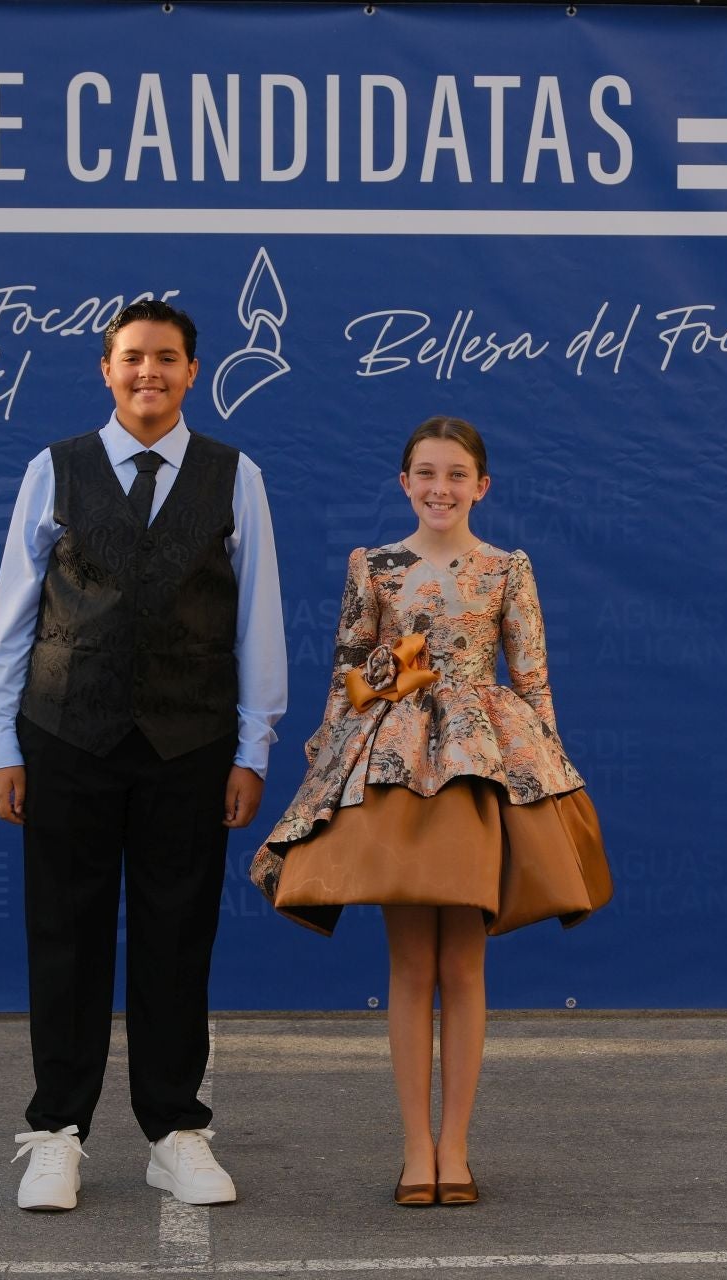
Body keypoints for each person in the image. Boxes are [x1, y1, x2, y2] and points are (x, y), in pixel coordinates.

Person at [248, 416, 610, 1207]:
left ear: (482, 486)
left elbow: (535, 678)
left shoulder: (508, 568)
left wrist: (547, 773)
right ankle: (416, 1149)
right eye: (424, 473)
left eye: (455, 475)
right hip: (394, 772)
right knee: (411, 965)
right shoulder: (372, 567)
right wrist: (328, 766)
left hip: (483, 773)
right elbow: (349, 676)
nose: (439, 488)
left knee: (466, 964)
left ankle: (457, 1147)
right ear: (404, 482)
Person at [0, 299, 286, 1212]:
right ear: (105, 370)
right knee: (63, 936)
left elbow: (258, 620)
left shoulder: (236, 477)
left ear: (193, 371)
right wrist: (1, 740)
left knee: (176, 938)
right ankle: (57, 1135)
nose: (148, 372)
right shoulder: (55, 468)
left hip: (190, 743)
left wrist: (253, 744)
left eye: (166, 358)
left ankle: (175, 1131)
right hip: (65, 734)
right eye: (131, 358)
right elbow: (13, 615)